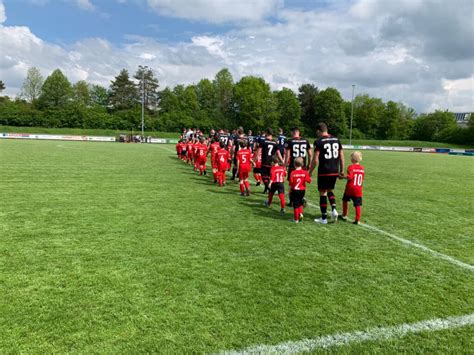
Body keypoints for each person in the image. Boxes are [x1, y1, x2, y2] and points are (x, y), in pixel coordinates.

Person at [309, 122, 344, 225]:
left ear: (319, 131)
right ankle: (334, 209)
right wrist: (341, 170)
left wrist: (310, 172)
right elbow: (341, 156)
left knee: (323, 192)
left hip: (324, 170)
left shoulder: (319, 141)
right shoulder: (336, 139)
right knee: (330, 190)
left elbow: (315, 160)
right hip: (334, 170)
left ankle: (323, 218)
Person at [283, 127, 312, 206]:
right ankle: (301, 198)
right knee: (302, 183)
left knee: (292, 183)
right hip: (303, 165)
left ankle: (292, 201)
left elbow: (288, 155)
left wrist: (285, 165)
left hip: (293, 165)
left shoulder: (290, 141)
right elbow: (310, 154)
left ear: (294, 132)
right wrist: (309, 164)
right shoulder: (305, 141)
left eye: (291, 132)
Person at [341, 151, 365, 225]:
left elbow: (350, 177)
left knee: (345, 200)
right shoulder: (362, 168)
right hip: (358, 189)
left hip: (350, 188)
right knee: (357, 205)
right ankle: (357, 220)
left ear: (353, 159)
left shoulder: (351, 167)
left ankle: (344, 214)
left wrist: (342, 176)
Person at [289, 157, 312, 223]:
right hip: (302, 190)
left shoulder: (292, 173)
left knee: (295, 205)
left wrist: (289, 191)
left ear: (294, 164)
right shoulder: (304, 172)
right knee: (300, 203)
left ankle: (296, 219)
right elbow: (309, 181)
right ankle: (300, 214)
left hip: (295, 190)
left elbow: (291, 183)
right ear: (302, 164)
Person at [258, 128, 277, 194]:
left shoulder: (263, 141)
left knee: (264, 177)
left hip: (265, 161)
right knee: (269, 176)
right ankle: (266, 189)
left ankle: (269, 188)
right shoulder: (275, 142)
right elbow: (278, 153)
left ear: (266, 132)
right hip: (272, 162)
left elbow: (259, 151)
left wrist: (255, 159)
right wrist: (282, 161)